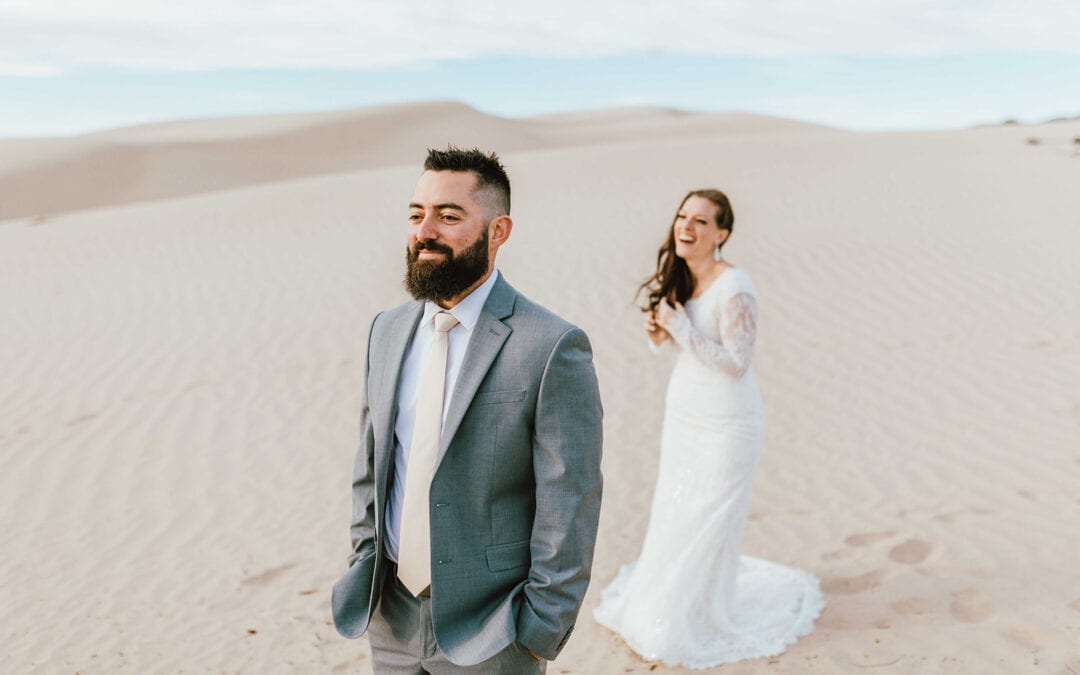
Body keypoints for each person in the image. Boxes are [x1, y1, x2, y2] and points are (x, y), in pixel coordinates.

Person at [331, 146, 604, 674]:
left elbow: (569, 501)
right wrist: (364, 559)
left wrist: (539, 629)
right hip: (390, 615)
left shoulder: (550, 345)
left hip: (493, 629)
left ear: (497, 231)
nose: (424, 231)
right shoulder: (385, 331)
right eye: (417, 214)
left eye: (448, 216)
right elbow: (370, 470)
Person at [593, 189, 824, 668]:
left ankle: (696, 618)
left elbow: (737, 363)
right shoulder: (683, 279)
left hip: (729, 424)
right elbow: (678, 344)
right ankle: (671, 608)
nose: (686, 226)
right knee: (676, 511)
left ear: (721, 233)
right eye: (682, 216)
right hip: (685, 417)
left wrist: (681, 331)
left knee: (708, 518)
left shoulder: (735, 285)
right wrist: (661, 332)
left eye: (700, 220)